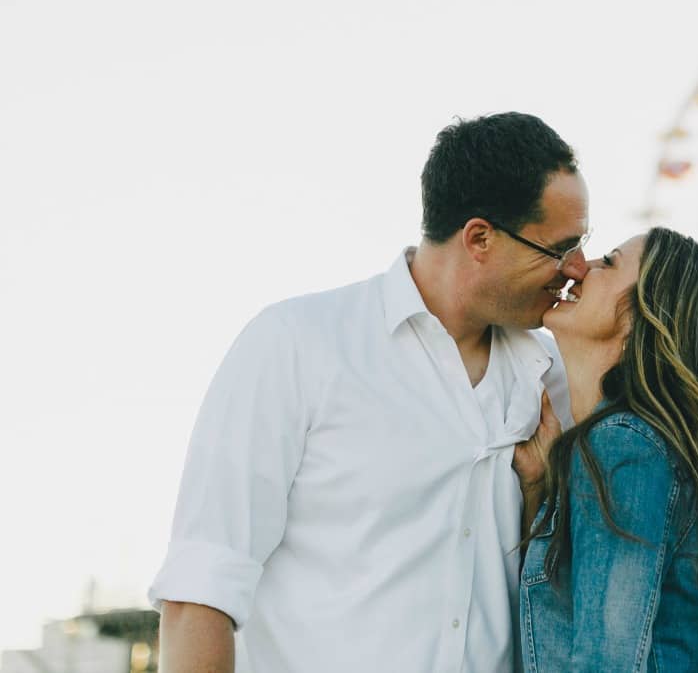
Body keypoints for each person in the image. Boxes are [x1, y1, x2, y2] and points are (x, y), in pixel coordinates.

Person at [149, 112, 588, 672]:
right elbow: (202, 586)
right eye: (559, 247)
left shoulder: (553, 374)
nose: (578, 268)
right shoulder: (296, 345)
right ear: (479, 237)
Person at [520, 227, 698, 672]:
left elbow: (606, 665)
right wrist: (538, 493)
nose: (582, 268)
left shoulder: (624, 447)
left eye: (610, 261)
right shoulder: (631, 450)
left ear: (643, 315)